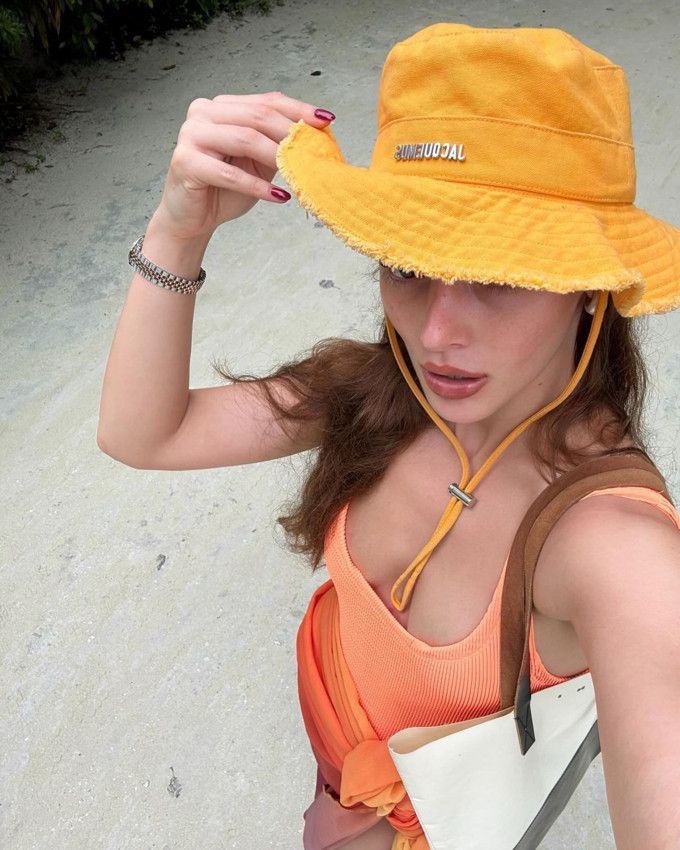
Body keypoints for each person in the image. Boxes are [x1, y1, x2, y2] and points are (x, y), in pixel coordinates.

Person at [97, 21, 680, 850]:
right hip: (332, 719)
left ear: (593, 284)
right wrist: (177, 230)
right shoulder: (378, 389)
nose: (436, 334)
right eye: (408, 265)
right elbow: (142, 435)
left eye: (498, 274)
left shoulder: (616, 550)